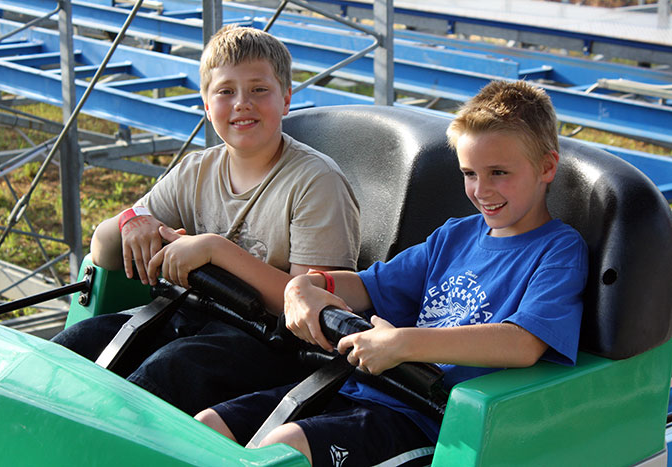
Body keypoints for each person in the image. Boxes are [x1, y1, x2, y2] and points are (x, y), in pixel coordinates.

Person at [195, 80, 589, 466]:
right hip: (364, 387)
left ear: (546, 166)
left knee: (286, 448)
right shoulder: (454, 236)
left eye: (499, 173)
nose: (482, 189)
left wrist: (401, 344)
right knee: (210, 426)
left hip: (426, 420)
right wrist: (310, 285)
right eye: (470, 173)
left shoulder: (558, 249)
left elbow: (523, 344)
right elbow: (369, 285)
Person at [52, 25, 361, 416]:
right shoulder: (195, 171)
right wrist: (132, 219)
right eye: (226, 91)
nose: (242, 103)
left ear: (286, 100)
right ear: (205, 103)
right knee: (72, 348)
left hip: (272, 343)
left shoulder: (316, 182)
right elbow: (106, 253)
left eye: (259, 90)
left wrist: (215, 250)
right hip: (189, 315)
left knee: (162, 378)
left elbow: (312, 309)